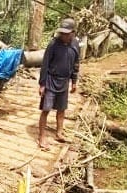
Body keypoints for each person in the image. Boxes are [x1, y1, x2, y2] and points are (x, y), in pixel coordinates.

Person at [38, 18, 80, 148]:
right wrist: (42, 84)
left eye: (66, 33)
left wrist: (74, 81)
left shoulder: (75, 45)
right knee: (46, 109)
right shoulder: (53, 44)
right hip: (51, 80)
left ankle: (59, 133)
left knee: (62, 109)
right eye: (62, 33)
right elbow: (45, 64)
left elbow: (76, 64)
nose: (63, 36)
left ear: (73, 33)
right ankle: (42, 136)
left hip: (64, 82)